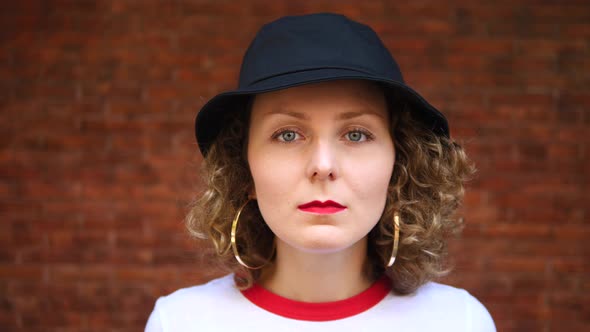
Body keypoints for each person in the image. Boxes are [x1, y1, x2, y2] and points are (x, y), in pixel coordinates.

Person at [145, 13, 496, 331]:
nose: (323, 166)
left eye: (356, 134)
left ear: (399, 164)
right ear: (243, 168)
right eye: (287, 134)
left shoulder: (459, 322)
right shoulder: (180, 322)